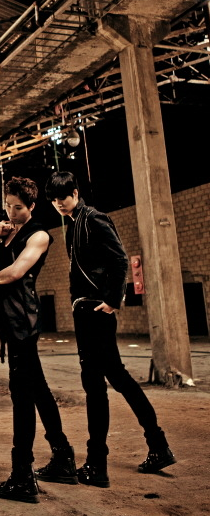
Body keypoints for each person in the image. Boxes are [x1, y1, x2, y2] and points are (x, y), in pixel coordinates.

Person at [44, 170, 176, 488]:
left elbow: (119, 260)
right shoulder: (74, 223)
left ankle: (98, 464)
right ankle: (157, 446)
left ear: (75, 193)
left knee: (97, 385)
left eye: (63, 197)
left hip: (95, 311)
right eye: (54, 199)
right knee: (115, 378)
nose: (58, 203)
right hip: (86, 310)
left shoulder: (93, 218)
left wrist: (112, 301)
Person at [0, 177, 77, 503]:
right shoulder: (8, 231)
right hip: (11, 324)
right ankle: (63, 458)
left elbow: (15, 271)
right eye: (8, 205)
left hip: (22, 323)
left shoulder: (39, 235)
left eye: (18, 207)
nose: (11, 211)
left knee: (22, 398)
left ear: (32, 206)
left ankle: (22, 476)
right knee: (38, 390)